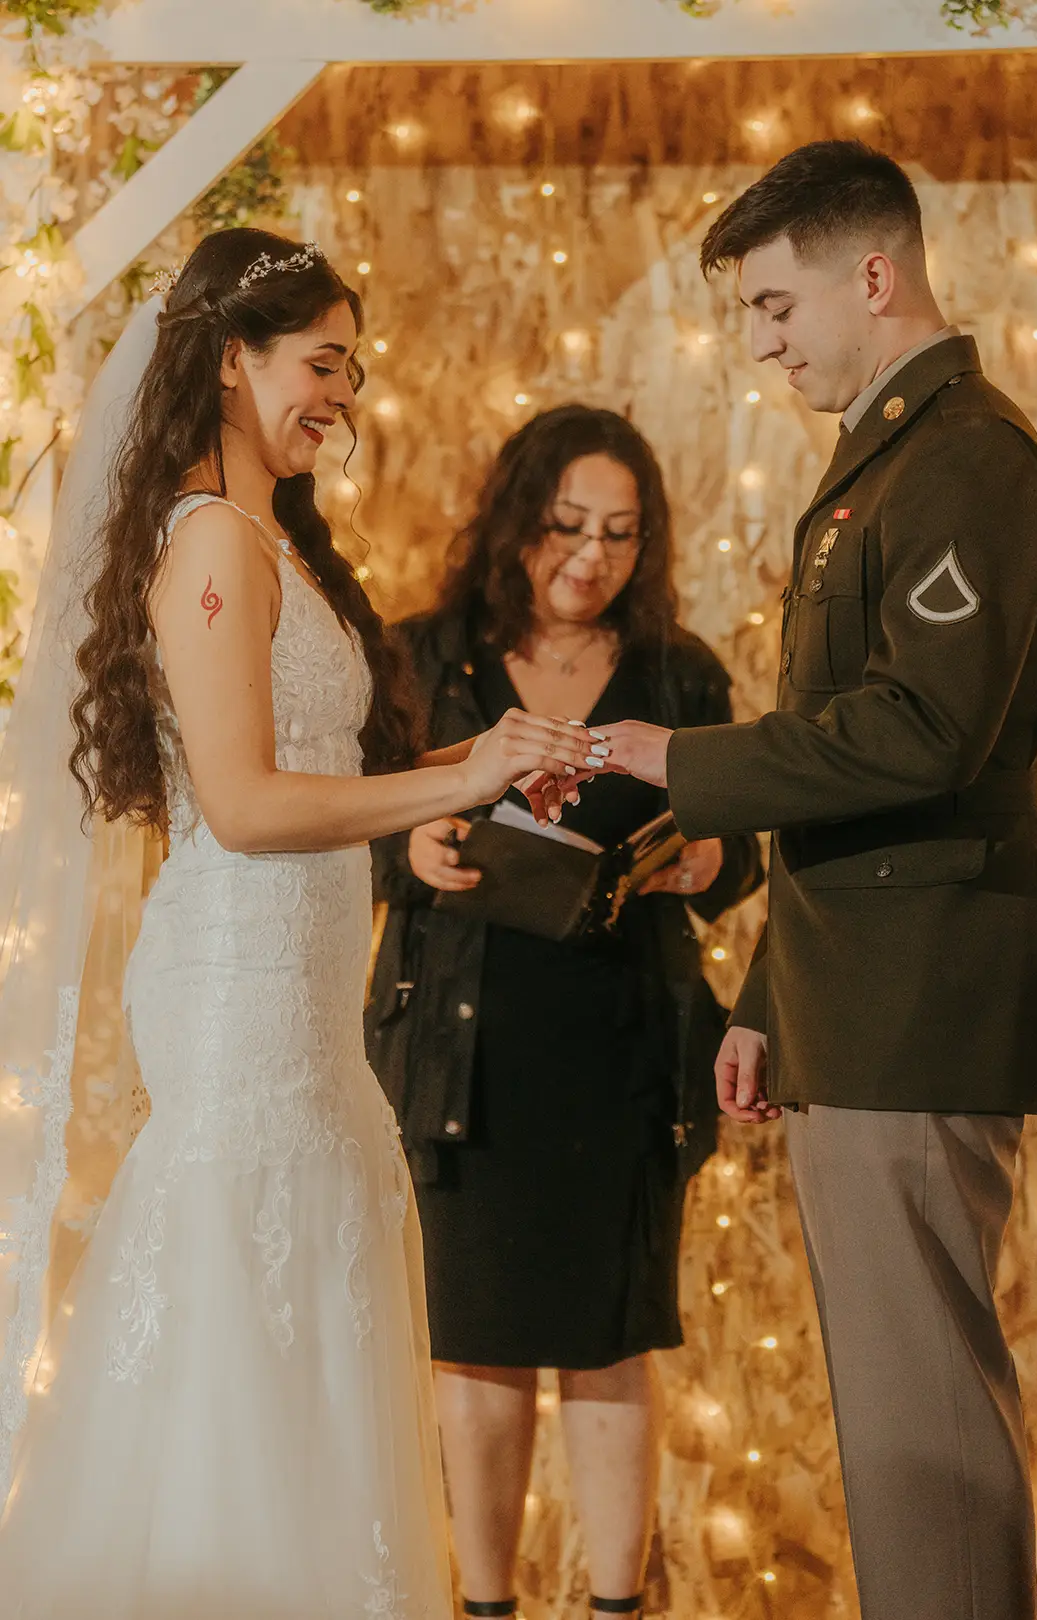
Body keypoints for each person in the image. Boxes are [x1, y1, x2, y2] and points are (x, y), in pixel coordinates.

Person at [0, 228, 597, 1618]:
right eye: (321, 363)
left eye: (351, 369)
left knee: (311, 1301)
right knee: (238, 1321)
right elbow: (248, 805)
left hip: (308, 1009)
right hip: (239, 997)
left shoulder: (273, 538)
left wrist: (463, 782)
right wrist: (459, 777)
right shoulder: (210, 540)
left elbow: (321, 778)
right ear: (230, 361)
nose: (343, 393)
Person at [594, 142, 1037, 1620]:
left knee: (926, 1440)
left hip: (918, 1005)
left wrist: (678, 762)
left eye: (773, 305)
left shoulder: (968, 459)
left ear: (874, 275)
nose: (761, 343)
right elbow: (844, 769)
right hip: (859, 1001)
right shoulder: (893, 454)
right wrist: (766, 999)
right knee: (898, 1428)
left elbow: (923, 733)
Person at [366, 405, 763, 1620]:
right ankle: (484, 1606)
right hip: (461, 1059)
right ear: (515, 519)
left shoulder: (680, 671)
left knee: (610, 1342)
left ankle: (614, 1607)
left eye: (620, 534)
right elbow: (342, 826)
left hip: (624, 1053)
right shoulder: (423, 656)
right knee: (475, 1345)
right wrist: (407, 846)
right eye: (567, 525)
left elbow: (738, 848)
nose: (591, 557)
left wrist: (713, 862)